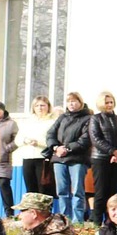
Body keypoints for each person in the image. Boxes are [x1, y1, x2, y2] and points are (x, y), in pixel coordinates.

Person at [45, 91, 93, 224]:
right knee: (62, 191)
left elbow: (85, 139)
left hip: (78, 159)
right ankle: (64, 219)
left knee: (77, 191)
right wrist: (56, 147)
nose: (71, 104)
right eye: (69, 101)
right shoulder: (62, 117)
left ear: (80, 102)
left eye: (74, 101)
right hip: (59, 159)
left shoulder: (88, 118)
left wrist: (67, 148)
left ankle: (77, 221)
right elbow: (50, 134)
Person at [88, 92, 117, 222]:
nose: (109, 105)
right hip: (100, 158)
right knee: (101, 192)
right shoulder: (95, 118)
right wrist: (112, 151)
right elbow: (96, 139)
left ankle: (110, 222)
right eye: (106, 102)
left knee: (113, 192)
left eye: (111, 102)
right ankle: (96, 223)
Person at [15, 96, 55, 208]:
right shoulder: (27, 122)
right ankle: (32, 212)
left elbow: (54, 140)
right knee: (30, 189)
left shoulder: (52, 122)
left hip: (43, 158)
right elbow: (17, 140)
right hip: (28, 158)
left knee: (43, 189)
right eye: (37, 106)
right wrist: (25, 140)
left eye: (42, 105)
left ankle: (45, 212)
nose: (40, 108)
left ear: (48, 107)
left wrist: (39, 143)